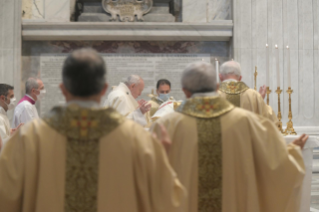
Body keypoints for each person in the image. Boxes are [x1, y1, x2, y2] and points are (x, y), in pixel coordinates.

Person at [0, 48, 185, 212]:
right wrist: (162, 161)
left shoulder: (29, 138)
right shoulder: (138, 140)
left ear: (63, 89)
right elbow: (172, 202)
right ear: (104, 89)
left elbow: (6, 197)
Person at [151, 61, 307, 212]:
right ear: (217, 86)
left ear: (185, 90)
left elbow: (150, 176)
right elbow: (274, 164)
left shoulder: (166, 125)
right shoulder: (248, 121)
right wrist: (293, 151)